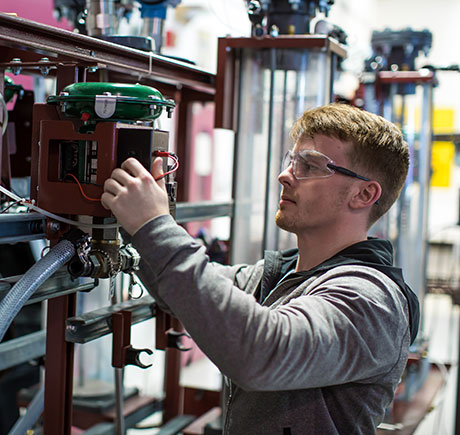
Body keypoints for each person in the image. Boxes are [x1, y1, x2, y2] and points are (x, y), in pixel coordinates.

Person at [100, 103, 419, 434]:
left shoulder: (371, 300)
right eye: (291, 161)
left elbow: (261, 353)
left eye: (310, 165)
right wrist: (132, 220)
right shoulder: (278, 277)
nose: (285, 175)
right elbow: (183, 292)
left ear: (364, 193)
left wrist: (154, 226)